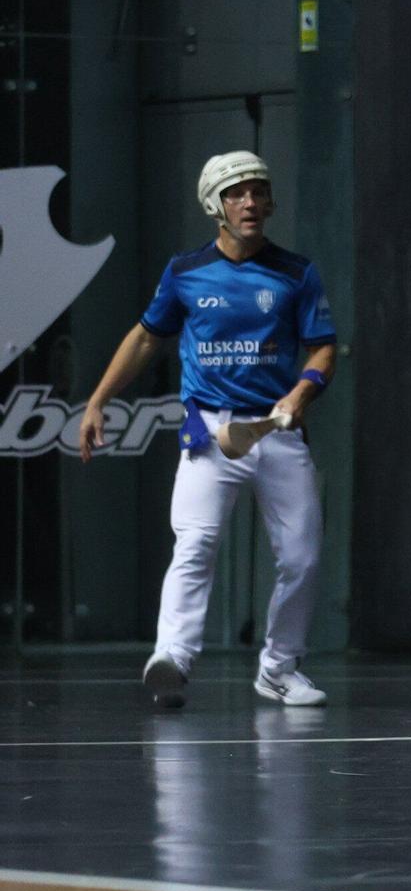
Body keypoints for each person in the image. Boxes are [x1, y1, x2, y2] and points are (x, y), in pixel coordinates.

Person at [79, 151, 338, 709]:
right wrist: (99, 399)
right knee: (194, 545)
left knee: (302, 557)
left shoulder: (297, 272)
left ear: (270, 201)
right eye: (236, 193)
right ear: (214, 204)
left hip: (279, 433)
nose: (249, 202)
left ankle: (278, 668)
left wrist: (299, 392)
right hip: (209, 436)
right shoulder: (185, 272)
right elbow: (147, 337)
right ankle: (171, 658)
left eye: (257, 191)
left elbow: (322, 347)